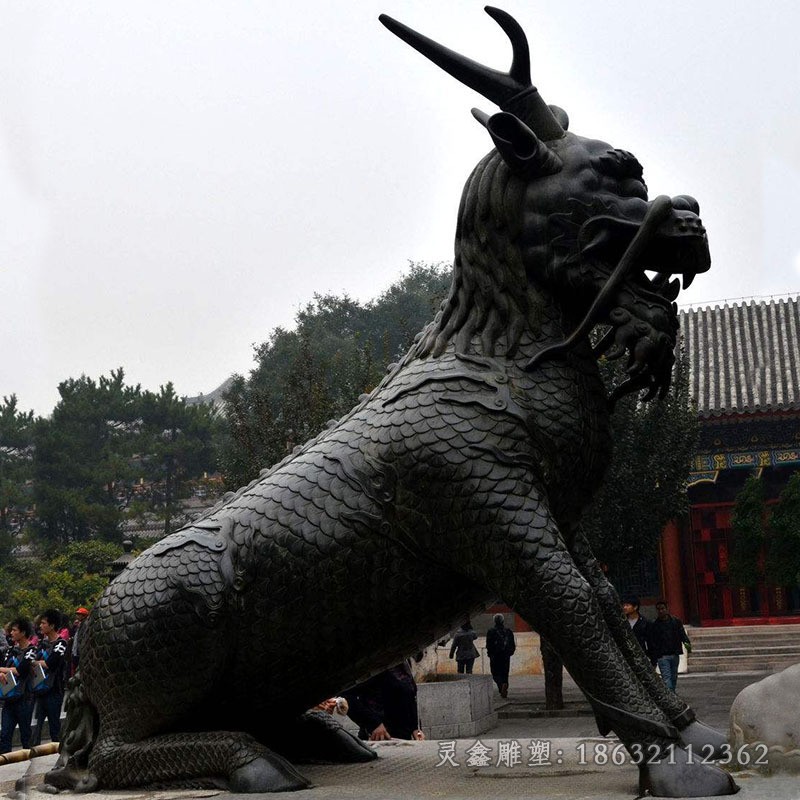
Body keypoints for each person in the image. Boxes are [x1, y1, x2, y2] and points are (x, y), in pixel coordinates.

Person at [341, 660, 425, 741]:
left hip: (403, 740)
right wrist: (374, 724)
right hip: (378, 739)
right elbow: (346, 696)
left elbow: (409, 697)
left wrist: (415, 728)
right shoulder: (373, 663)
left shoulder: (403, 663)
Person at [0, 618, 38, 753]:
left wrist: (2, 670)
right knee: (4, 735)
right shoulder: (10, 651)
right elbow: (5, 667)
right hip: (9, 698)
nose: (11, 633)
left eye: (14, 630)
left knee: (25, 736)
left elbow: (20, 671)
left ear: (23, 632)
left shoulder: (32, 651)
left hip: (24, 699)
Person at [32, 609, 69, 745]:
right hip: (40, 689)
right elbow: (33, 661)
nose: (40, 626)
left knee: (54, 727)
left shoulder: (61, 643)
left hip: (54, 689)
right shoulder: (42, 644)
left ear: (52, 625)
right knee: (37, 728)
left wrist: (36, 663)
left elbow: (51, 663)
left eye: (43, 623)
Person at [648, 600, 692, 691]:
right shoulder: (654, 625)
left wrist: (687, 644)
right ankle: (671, 695)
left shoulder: (676, 622)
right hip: (662, 656)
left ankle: (672, 693)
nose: (661, 611)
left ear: (667, 609)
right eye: (658, 609)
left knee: (673, 676)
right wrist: (654, 658)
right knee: (666, 678)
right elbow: (653, 642)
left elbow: (682, 634)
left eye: (662, 608)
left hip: (674, 653)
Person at [485, 613, 515, 698]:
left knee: (495, 673)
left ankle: (501, 686)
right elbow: (512, 643)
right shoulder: (508, 631)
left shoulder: (491, 631)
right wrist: (510, 652)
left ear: (494, 621)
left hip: (495, 655)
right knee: (505, 672)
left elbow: (489, 644)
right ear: (503, 621)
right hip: (506, 655)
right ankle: (505, 684)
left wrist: (489, 653)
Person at [70, 607, 89, 673]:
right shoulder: (80, 625)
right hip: (75, 652)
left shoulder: (85, 625)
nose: (77, 616)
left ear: (84, 616)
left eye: (79, 614)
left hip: (79, 653)